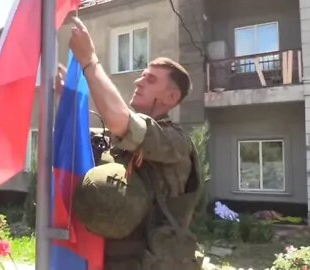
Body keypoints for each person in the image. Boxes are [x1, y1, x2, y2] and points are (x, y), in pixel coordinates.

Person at [56, 17, 203, 270]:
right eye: (142, 76)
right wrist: (68, 98)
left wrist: (90, 61)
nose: (138, 82)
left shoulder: (176, 142)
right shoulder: (120, 137)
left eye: (151, 80)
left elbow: (122, 122)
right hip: (110, 259)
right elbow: (89, 136)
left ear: (171, 97)